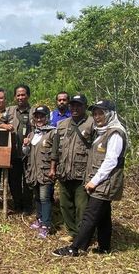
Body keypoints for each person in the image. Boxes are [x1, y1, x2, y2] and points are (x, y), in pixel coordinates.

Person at [53, 100, 127, 256]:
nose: (97, 117)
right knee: (104, 215)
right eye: (95, 113)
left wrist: (94, 181)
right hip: (102, 180)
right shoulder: (103, 131)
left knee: (90, 215)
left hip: (106, 181)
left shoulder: (115, 133)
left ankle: (76, 248)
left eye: (101, 113)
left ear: (110, 114)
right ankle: (104, 247)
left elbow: (111, 161)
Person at [50, 94, 93, 242]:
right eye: (72, 105)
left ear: (85, 107)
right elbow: (55, 149)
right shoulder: (62, 124)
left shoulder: (92, 124)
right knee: (65, 204)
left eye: (78, 105)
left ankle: (83, 235)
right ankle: (72, 232)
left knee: (82, 206)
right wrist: (53, 168)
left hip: (82, 173)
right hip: (64, 171)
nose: (75, 108)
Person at [0, 84, 34, 214]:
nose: (20, 97)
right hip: (13, 153)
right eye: (18, 95)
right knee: (14, 181)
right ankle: (17, 204)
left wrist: (30, 137)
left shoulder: (34, 111)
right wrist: (4, 125)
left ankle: (28, 206)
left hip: (29, 154)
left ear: (28, 96)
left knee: (28, 181)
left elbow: (40, 128)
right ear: (14, 97)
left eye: (23, 94)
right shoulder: (9, 110)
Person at [22, 105, 56, 239]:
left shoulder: (53, 133)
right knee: (37, 197)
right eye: (37, 116)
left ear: (47, 117)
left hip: (46, 171)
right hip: (34, 171)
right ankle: (40, 219)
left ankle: (46, 225)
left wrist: (53, 169)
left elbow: (55, 154)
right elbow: (26, 152)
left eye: (42, 116)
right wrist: (25, 145)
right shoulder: (32, 133)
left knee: (45, 198)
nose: (39, 119)